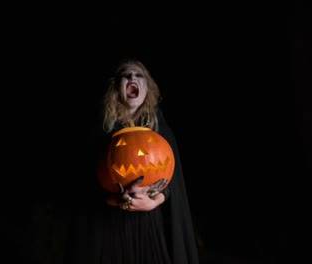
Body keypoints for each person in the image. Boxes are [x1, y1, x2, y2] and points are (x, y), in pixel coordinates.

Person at [29, 58, 199, 264]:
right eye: (125, 75)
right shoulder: (100, 128)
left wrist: (155, 200)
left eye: (139, 75)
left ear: (148, 87)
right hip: (107, 227)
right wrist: (115, 199)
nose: (132, 77)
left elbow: (173, 183)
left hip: (149, 226)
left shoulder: (159, 128)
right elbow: (82, 182)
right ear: (115, 87)